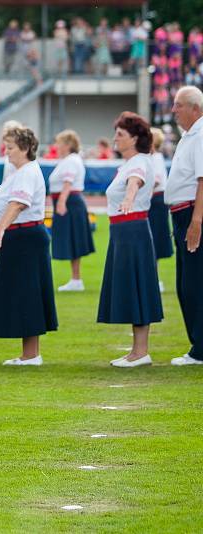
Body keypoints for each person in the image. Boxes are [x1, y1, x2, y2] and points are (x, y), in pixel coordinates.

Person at [0, 126, 57, 366]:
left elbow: (18, 204)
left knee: (28, 294)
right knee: (24, 293)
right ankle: (29, 353)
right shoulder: (19, 172)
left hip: (24, 238)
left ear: (25, 148)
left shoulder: (27, 172)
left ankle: (31, 354)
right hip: (22, 237)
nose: (7, 152)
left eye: (11, 147)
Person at [98, 112, 163, 367]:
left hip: (132, 229)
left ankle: (141, 351)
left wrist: (129, 196)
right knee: (132, 286)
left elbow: (135, 181)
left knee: (137, 286)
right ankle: (137, 350)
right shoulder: (130, 162)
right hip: (123, 231)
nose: (116, 138)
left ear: (134, 138)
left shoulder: (138, 162)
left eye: (121, 134)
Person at [166, 86, 203, 366]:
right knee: (184, 283)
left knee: (194, 284)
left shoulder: (200, 135)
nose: (173, 110)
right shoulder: (189, 136)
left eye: (179, 105)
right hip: (182, 213)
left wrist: (196, 221)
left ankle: (200, 349)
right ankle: (197, 345)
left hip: (192, 212)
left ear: (195, 108)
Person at [49, 130, 95, 292]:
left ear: (68, 145)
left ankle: (76, 279)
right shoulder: (68, 160)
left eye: (59, 143)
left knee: (73, 239)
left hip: (69, 203)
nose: (56, 146)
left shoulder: (71, 160)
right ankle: (75, 279)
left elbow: (68, 183)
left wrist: (61, 202)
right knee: (72, 239)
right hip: (68, 202)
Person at [149, 127, 173, 293]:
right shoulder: (152, 158)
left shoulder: (155, 158)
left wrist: (144, 197)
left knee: (155, 240)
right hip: (156, 201)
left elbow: (155, 180)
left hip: (156, 202)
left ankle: (155, 280)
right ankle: (153, 279)